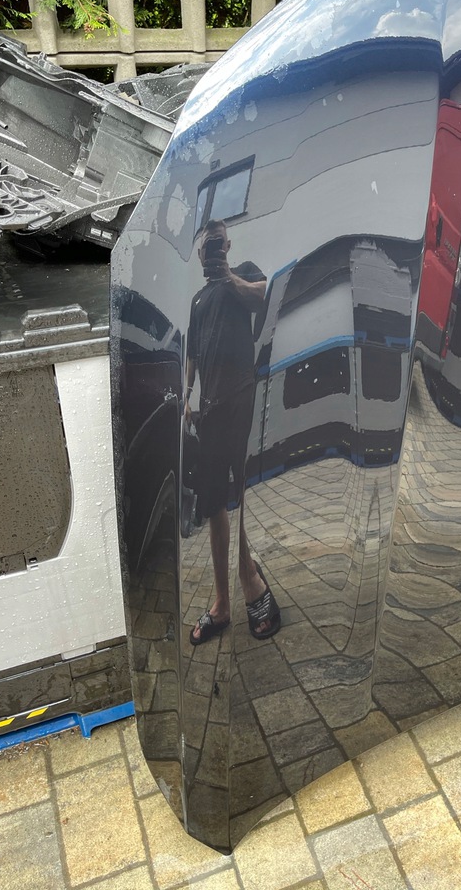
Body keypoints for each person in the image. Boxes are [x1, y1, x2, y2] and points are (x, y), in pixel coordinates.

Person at [184, 218, 280, 645]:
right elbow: (192, 353)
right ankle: (224, 602)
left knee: (241, 491)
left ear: (228, 245)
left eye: (218, 244)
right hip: (208, 410)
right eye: (207, 247)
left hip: (240, 395)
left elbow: (264, 296)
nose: (213, 252)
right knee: (212, 503)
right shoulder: (197, 300)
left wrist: (230, 277)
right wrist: (187, 397)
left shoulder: (242, 273)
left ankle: (250, 581)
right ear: (199, 254)